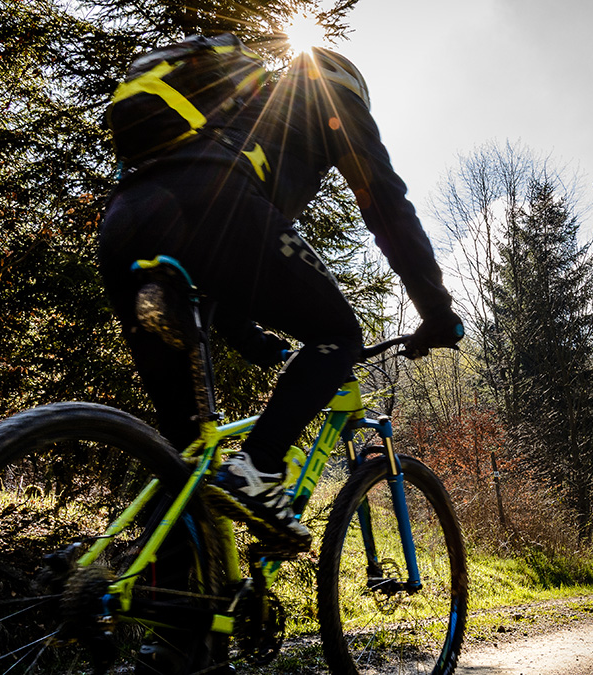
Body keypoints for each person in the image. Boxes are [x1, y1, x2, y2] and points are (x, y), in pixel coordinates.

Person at [97, 37, 463, 545]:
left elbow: (209, 258)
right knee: (337, 333)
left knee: (183, 459)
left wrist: (253, 340)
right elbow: (388, 208)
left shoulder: (235, 114)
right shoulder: (331, 95)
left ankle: (160, 605)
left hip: (123, 222)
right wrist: (437, 310)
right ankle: (260, 470)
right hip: (210, 203)